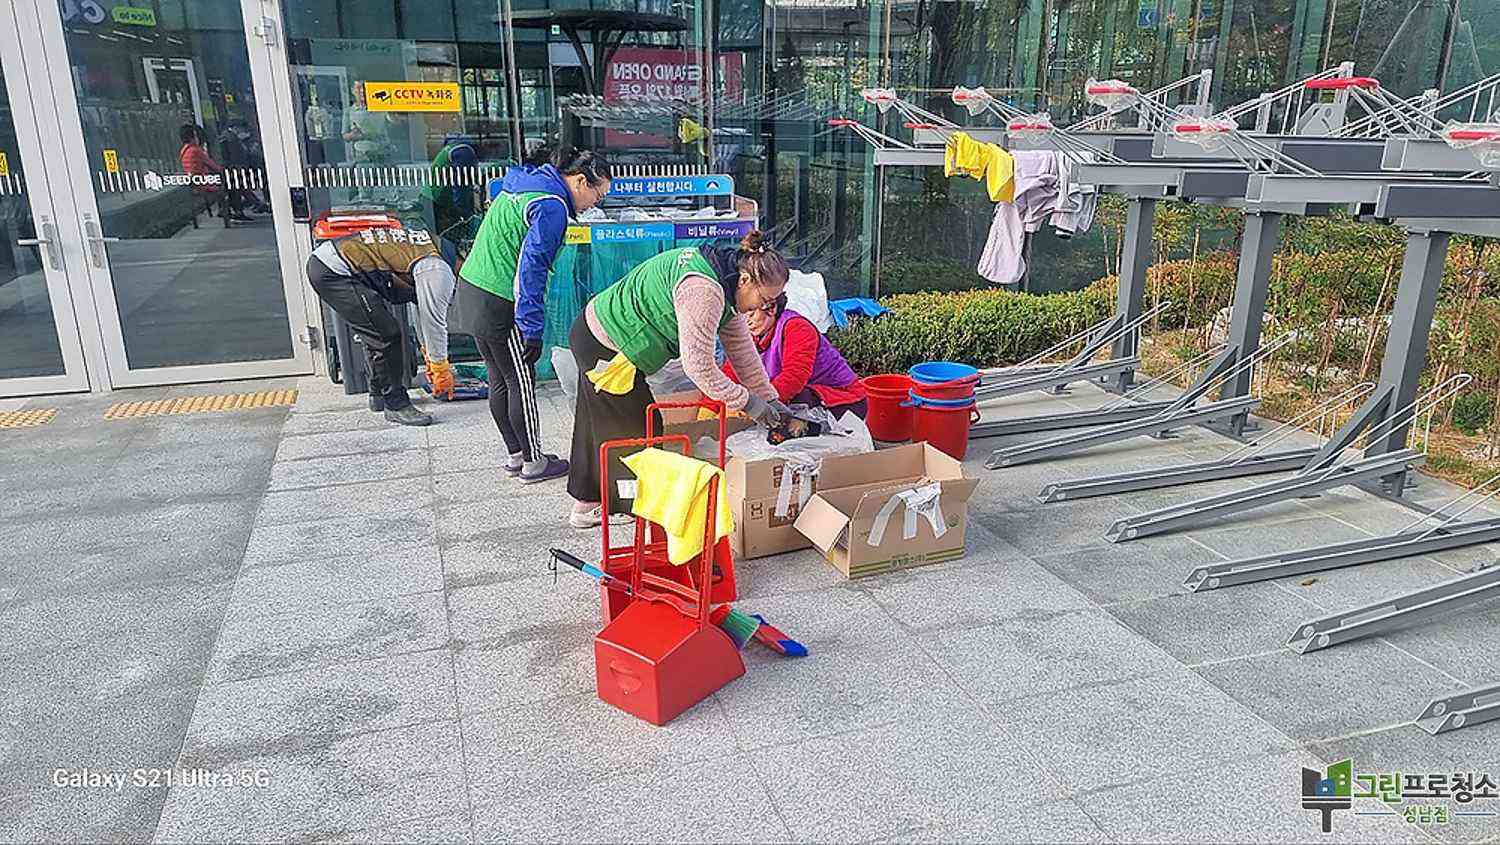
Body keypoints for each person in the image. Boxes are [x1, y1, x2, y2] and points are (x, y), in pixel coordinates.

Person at [566, 230, 793, 530]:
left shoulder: (726, 283)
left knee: (596, 420)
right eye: (765, 300)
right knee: (637, 432)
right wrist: (751, 404)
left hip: (596, 331)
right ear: (746, 280)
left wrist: (771, 399)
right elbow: (699, 368)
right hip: (607, 347)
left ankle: (586, 504)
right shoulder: (705, 291)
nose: (763, 309)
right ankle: (631, 507)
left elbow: (742, 353)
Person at [456, 145, 611, 483]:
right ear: (581, 181)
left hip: (473, 287)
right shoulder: (552, 206)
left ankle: (516, 455)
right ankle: (533, 462)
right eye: (596, 197)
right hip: (500, 300)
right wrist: (531, 328)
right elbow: (531, 269)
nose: (592, 205)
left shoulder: (526, 184)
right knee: (520, 382)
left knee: (498, 377)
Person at [306, 225, 460, 426]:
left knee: (376, 329)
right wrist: (440, 368)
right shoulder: (438, 269)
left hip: (329, 260)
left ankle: (378, 393)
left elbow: (422, 309)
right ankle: (396, 405)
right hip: (334, 271)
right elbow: (433, 320)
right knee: (386, 334)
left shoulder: (430, 247)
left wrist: (429, 355)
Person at [723, 292, 869, 419]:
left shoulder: (797, 328)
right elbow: (732, 372)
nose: (747, 321)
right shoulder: (753, 336)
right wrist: (711, 408)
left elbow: (793, 379)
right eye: (743, 315)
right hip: (799, 396)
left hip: (844, 400)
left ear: (772, 308)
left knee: (797, 401)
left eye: (752, 313)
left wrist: (753, 406)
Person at [179, 124, 248, 224]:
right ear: (193, 137)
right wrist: (224, 169)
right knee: (233, 182)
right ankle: (235, 211)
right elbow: (214, 166)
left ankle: (229, 210)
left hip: (194, 183)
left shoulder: (184, 150)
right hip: (204, 184)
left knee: (230, 181)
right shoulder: (196, 151)